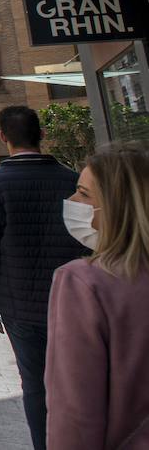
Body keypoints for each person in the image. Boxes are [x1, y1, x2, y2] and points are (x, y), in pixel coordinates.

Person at [0, 106, 85, 450]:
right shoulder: (73, 180)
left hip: (20, 305)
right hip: (75, 302)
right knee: (78, 380)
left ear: (2, 137)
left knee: (35, 386)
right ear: (43, 134)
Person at [45, 142, 149, 450]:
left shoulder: (84, 283)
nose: (72, 200)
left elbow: (74, 414)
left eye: (84, 194)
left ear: (119, 206)